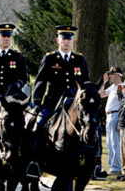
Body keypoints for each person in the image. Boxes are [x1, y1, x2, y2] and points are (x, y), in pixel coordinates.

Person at [30, 25, 89, 177]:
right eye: (64, 39)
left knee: (93, 128)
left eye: (69, 39)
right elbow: (40, 81)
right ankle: (34, 163)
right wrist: (37, 102)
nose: (67, 42)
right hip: (53, 103)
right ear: (58, 40)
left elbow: (86, 84)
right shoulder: (50, 59)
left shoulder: (80, 60)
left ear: (73, 41)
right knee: (38, 126)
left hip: (74, 105)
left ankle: (94, 165)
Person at [99, 66, 123, 176]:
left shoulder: (122, 87)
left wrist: (120, 120)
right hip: (109, 116)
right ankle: (112, 166)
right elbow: (101, 94)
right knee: (109, 143)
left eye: (112, 74)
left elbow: (124, 104)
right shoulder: (112, 87)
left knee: (115, 143)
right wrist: (103, 83)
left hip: (115, 115)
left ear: (118, 75)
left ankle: (116, 167)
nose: (110, 76)